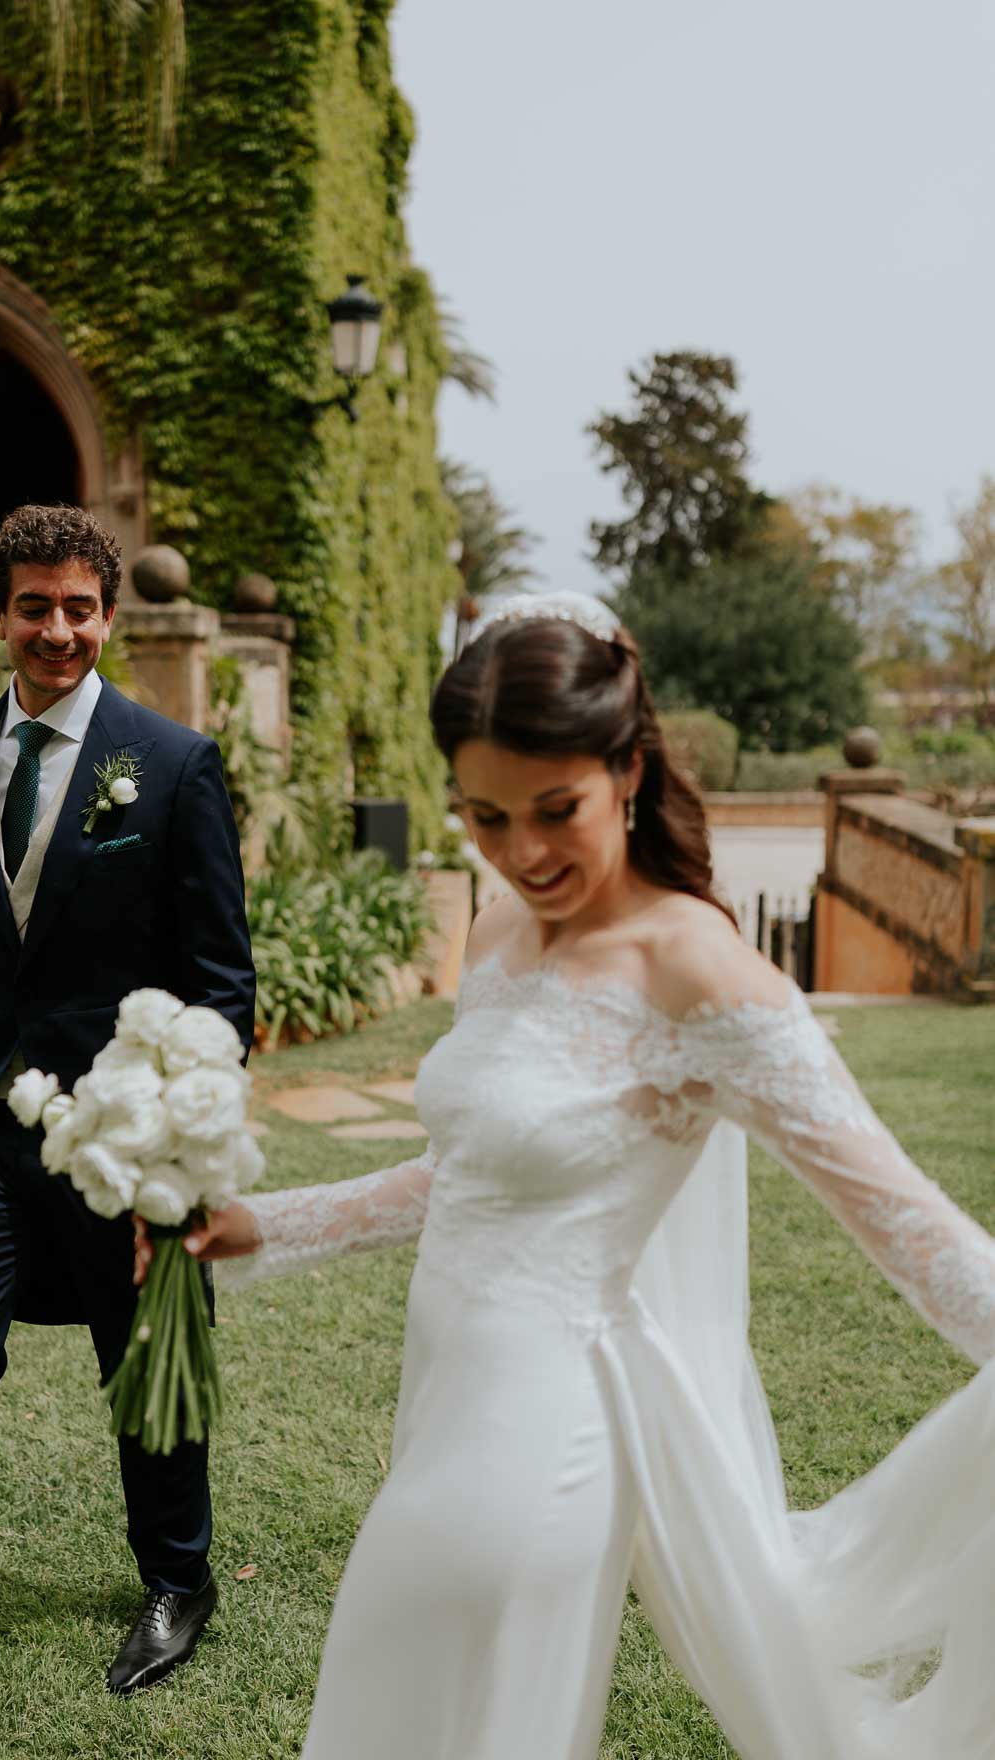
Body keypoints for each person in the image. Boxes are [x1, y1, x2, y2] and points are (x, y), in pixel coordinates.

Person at [176, 591, 995, 1760]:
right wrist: (266, 1224)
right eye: (484, 816)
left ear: (627, 769)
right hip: (447, 1389)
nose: (522, 853)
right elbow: (471, 1179)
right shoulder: (503, 934)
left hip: (543, 1430)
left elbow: (908, 1223)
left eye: (554, 810)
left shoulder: (700, 974)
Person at [0, 505, 255, 1760]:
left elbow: (222, 981)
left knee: (150, 1371)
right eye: (34, 606)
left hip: (129, 1143)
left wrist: (175, 1140)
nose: (57, 629)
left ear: (108, 614)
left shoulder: (171, 763)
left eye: (79, 606)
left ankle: (179, 1577)